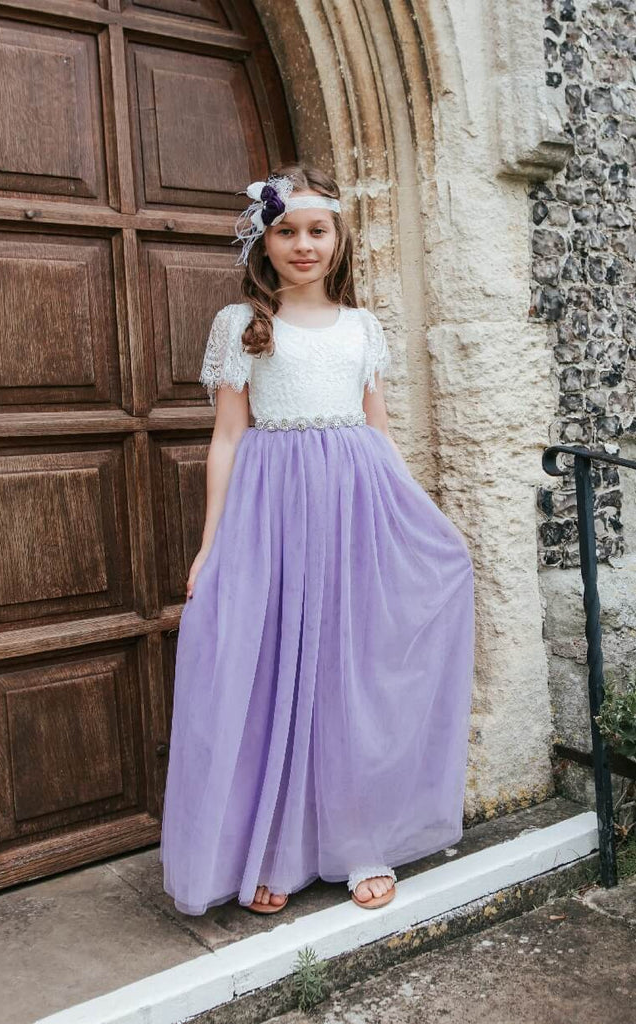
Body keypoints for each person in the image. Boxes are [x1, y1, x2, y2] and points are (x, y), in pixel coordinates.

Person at [158, 163, 476, 917]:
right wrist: (211, 545)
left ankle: (358, 839)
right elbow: (229, 439)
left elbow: (381, 432)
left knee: (347, 672)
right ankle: (275, 848)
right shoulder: (242, 326)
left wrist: (423, 517)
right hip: (273, 515)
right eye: (286, 230)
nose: (302, 244)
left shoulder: (363, 329)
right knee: (274, 673)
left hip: (356, 514)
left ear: (339, 240)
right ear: (265, 242)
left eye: (316, 231)